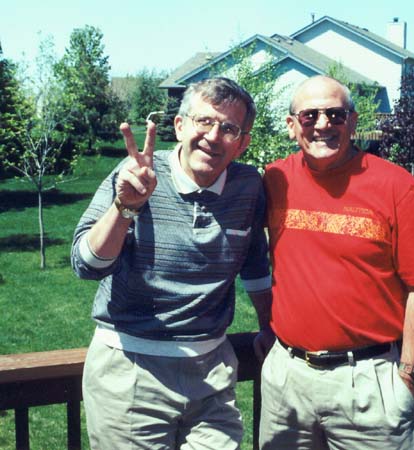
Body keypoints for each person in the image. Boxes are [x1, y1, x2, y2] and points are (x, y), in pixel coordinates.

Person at [71, 77, 272, 450]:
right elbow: (86, 265)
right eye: (204, 121)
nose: (213, 137)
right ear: (180, 126)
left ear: (242, 143)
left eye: (229, 129)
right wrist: (125, 207)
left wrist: (268, 326)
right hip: (131, 369)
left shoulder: (248, 186)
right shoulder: (135, 172)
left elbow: (255, 263)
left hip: (212, 371)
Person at [258, 75, 414, 449]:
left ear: (353, 122)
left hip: (368, 382)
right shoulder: (275, 180)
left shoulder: (397, 186)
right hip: (287, 379)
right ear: (292, 125)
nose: (323, 124)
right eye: (310, 115)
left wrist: (409, 376)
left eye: (336, 114)